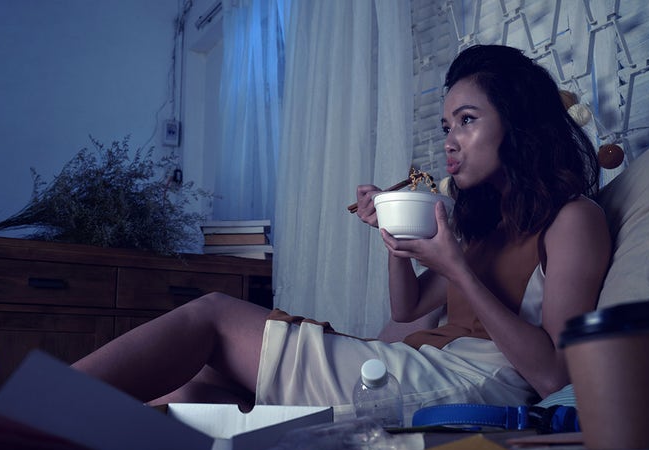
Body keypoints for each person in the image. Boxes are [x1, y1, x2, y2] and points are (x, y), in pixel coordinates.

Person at [72, 44, 611, 423]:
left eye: (467, 120)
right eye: (447, 126)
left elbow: (552, 376)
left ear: (517, 126)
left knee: (214, 313)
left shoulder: (573, 219)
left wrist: (457, 269)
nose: (450, 140)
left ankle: (37, 410)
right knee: (196, 392)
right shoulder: (489, 224)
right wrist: (397, 244)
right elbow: (408, 311)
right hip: (425, 361)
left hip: (473, 384)